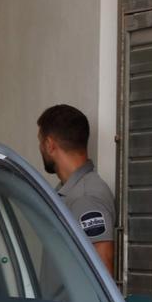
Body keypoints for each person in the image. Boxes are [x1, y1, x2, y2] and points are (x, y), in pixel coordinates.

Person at [37, 104, 116, 276]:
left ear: (50, 145)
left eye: (40, 142)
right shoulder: (67, 191)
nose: (40, 149)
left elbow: (103, 271)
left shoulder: (86, 197)